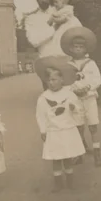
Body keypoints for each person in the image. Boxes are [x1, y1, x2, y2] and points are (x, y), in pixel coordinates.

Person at [36, 61, 87, 192]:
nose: (51, 82)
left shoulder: (69, 94)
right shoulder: (44, 97)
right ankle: (58, 182)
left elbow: (79, 110)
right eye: (48, 80)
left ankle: (70, 181)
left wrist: (73, 108)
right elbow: (40, 115)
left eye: (54, 79)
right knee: (56, 158)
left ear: (62, 79)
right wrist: (43, 130)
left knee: (68, 156)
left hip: (68, 130)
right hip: (54, 131)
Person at [26, 0, 82, 89]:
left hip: (66, 60)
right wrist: (53, 29)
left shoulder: (60, 11)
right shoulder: (32, 18)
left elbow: (76, 28)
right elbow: (34, 41)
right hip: (47, 63)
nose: (43, 0)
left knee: (70, 95)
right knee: (51, 96)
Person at [62, 26, 101, 166]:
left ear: (86, 49)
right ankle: (80, 152)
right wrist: (74, 90)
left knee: (93, 125)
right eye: (75, 46)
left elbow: (97, 79)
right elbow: (66, 83)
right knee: (78, 126)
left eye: (81, 46)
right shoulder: (68, 65)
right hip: (75, 99)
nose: (78, 49)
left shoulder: (91, 64)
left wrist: (88, 88)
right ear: (70, 49)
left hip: (89, 98)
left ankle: (97, 152)